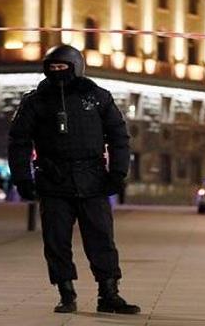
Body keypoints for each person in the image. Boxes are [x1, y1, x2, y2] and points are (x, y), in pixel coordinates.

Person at [8, 44, 140, 315]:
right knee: (56, 241)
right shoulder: (35, 101)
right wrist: (22, 178)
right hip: (53, 181)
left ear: (76, 67)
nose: (58, 72)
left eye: (63, 67)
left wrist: (117, 173)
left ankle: (109, 293)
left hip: (93, 181)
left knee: (101, 239)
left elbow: (119, 137)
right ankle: (66, 293)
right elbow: (18, 141)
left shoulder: (98, 97)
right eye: (52, 68)